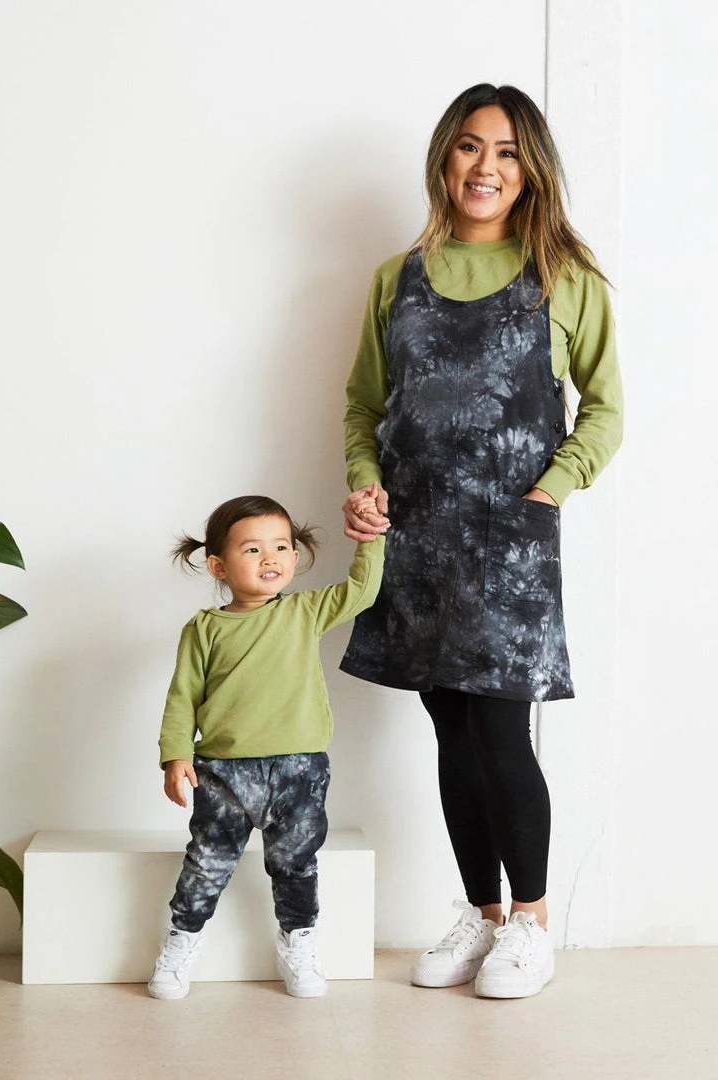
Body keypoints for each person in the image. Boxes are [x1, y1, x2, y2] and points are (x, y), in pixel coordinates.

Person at [340, 83, 623, 999]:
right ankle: (483, 915)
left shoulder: (567, 276)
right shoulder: (397, 277)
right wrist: (364, 485)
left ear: (530, 169)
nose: (485, 167)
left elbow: (607, 411)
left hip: (511, 540)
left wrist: (550, 489)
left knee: (500, 725)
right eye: (469, 147)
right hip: (418, 537)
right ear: (444, 160)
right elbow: (364, 406)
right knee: (451, 727)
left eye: (506, 152)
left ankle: (532, 924)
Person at [147, 491, 385, 1001]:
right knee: (206, 863)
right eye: (252, 549)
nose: (269, 558)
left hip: (299, 769)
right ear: (219, 566)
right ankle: (181, 941)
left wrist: (370, 538)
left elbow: (363, 590)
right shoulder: (204, 628)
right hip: (222, 773)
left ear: (295, 559)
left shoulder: (305, 611)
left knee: (295, 864)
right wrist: (176, 755)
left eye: (280, 547)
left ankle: (299, 941)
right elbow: (182, 696)